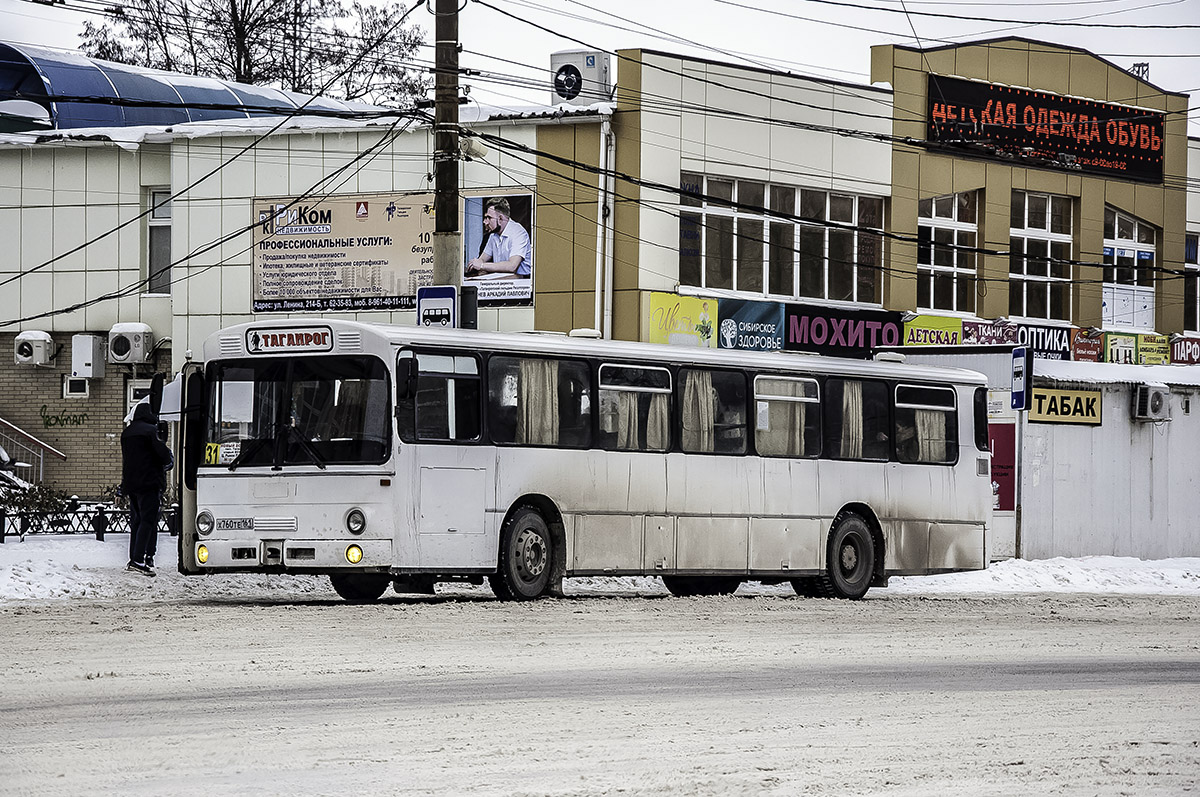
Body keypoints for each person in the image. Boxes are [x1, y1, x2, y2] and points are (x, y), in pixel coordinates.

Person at [121, 401, 172, 576]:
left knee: (137, 521)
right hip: (149, 482)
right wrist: (168, 457)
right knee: (148, 520)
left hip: (132, 484)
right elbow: (163, 455)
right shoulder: (151, 431)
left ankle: (134, 557)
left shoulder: (127, 432)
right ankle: (139, 559)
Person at [465, 197, 532, 277]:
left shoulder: (518, 232)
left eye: (489, 218)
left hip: (520, 283)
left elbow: (512, 266)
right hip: (501, 282)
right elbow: (482, 259)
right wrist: (474, 264)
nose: (485, 222)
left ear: (500, 218)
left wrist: (482, 266)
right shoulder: (493, 235)